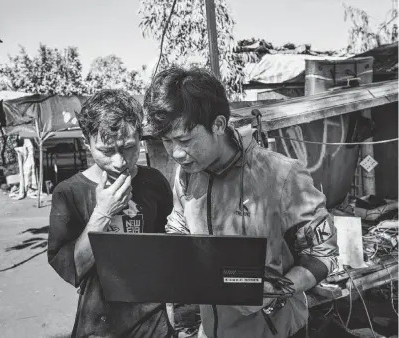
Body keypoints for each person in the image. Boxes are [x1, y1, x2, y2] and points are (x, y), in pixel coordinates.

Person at [143, 67, 339, 338]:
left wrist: (274, 290)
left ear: (219, 124)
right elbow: (180, 229)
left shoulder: (282, 175)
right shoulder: (187, 175)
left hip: (277, 331)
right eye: (166, 141)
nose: (176, 153)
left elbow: (324, 254)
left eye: (185, 140)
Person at [48, 89, 174, 338]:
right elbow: (73, 269)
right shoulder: (68, 193)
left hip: (154, 323)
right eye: (106, 151)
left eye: (129, 147)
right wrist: (103, 213)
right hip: (100, 325)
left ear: (140, 138)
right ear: (87, 144)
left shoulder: (155, 182)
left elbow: (170, 247)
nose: (119, 161)